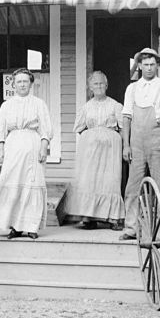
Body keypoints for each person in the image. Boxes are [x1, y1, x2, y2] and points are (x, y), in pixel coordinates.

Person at [0, 68, 52, 240]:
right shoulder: (7, 105)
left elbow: (46, 129)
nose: (22, 85)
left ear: (31, 83)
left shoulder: (39, 103)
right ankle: (15, 226)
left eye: (25, 81)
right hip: (13, 146)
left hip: (32, 146)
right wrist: (1, 150)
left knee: (31, 183)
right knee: (13, 184)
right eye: (19, 82)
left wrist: (44, 148)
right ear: (13, 84)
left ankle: (31, 226)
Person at [118, 48, 160, 241]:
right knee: (133, 187)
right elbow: (126, 118)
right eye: (145, 65)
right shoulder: (132, 89)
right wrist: (126, 145)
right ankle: (131, 228)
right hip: (136, 143)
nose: (149, 68)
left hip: (158, 142)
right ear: (140, 66)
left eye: (153, 64)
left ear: (157, 65)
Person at [57, 71, 124, 230]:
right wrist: (91, 140)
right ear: (90, 87)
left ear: (107, 86)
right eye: (95, 84)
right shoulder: (86, 107)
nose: (99, 86)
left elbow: (123, 128)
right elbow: (79, 129)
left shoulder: (116, 106)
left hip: (110, 149)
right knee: (90, 180)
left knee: (110, 180)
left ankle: (113, 217)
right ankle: (89, 216)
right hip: (90, 149)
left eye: (101, 83)